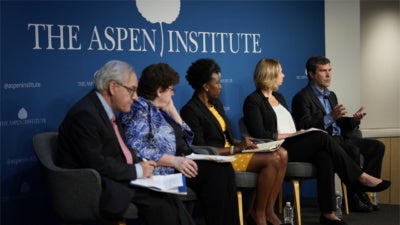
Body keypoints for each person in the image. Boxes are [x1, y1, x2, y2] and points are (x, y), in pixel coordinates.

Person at [242, 58, 390, 225]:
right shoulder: (253, 101)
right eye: (280, 72)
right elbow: (260, 133)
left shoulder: (279, 97)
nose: (283, 75)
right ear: (270, 74)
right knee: (321, 136)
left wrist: (298, 133)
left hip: (293, 142)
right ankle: (360, 177)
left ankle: (327, 213)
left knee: (324, 156)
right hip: (276, 148)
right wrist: (292, 135)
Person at [57, 60, 195, 225]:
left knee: (167, 196)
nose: (135, 97)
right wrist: (137, 170)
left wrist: (143, 167)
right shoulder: (86, 115)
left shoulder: (104, 112)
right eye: (131, 90)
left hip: (118, 177)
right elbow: (96, 163)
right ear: (113, 87)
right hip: (94, 186)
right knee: (160, 202)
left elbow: (121, 152)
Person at [120, 63, 240, 225]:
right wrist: (174, 161)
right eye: (171, 89)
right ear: (159, 90)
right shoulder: (139, 109)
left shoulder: (162, 110)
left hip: (181, 162)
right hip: (163, 168)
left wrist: (172, 111)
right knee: (215, 174)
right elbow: (139, 148)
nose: (173, 94)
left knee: (223, 169)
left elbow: (187, 139)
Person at [180, 58, 288, 225]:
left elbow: (227, 138)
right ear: (205, 86)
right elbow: (200, 148)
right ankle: (258, 215)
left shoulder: (216, 104)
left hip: (233, 152)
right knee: (273, 159)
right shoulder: (190, 110)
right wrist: (235, 149)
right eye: (217, 82)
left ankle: (268, 210)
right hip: (219, 160)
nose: (221, 86)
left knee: (281, 153)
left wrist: (243, 142)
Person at [291, 56, 385, 212]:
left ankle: (364, 191)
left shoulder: (331, 95)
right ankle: (355, 199)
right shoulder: (302, 97)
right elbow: (304, 126)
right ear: (311, 74)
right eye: (323, 71)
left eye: (329, 70)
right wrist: (330, 117)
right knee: (352, 151)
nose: (328, 75)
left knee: (377, 147)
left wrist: (353, 120)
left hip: (341, 138)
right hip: (325, 142)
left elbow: (339, 123)